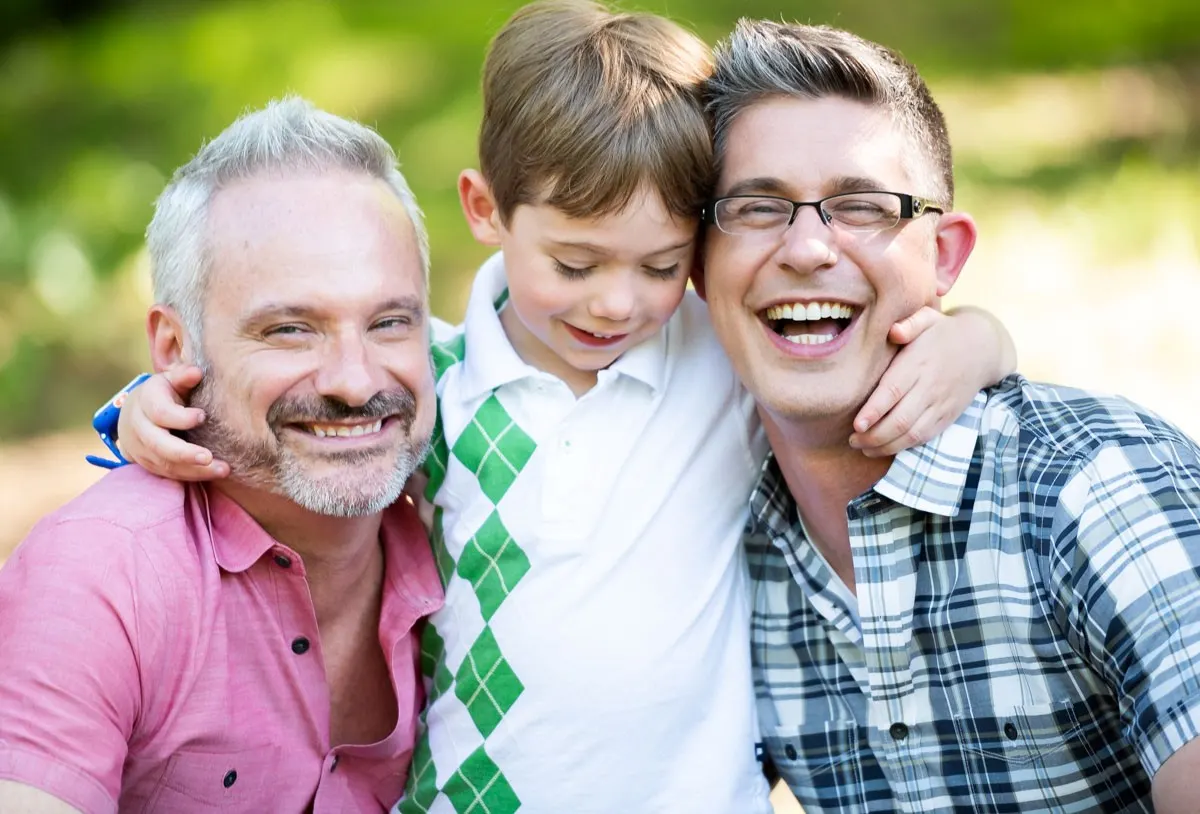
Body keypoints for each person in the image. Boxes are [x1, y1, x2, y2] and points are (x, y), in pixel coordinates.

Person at [101, 3, 1018, 811]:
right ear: (486, 208)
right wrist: (144, 407)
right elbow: (297, 425)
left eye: (660, 265)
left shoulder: (719, 359)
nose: (615, 304)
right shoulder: (440, 385)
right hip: (472, 795)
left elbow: (882, 346)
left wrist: (974, 340)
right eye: (574, 266)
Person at [697, 18, 1200, 813]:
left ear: (946, 258)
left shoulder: (1096, 487)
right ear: (697, 266)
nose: (805, 249)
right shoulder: (716, 547)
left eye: (861, 206)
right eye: (757, 208)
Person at [0, 99, 443, 813]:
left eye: (389, 321)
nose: (356, 380)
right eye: (292, 329)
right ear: (176, 351)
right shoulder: (102, 574)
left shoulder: (480, 511)